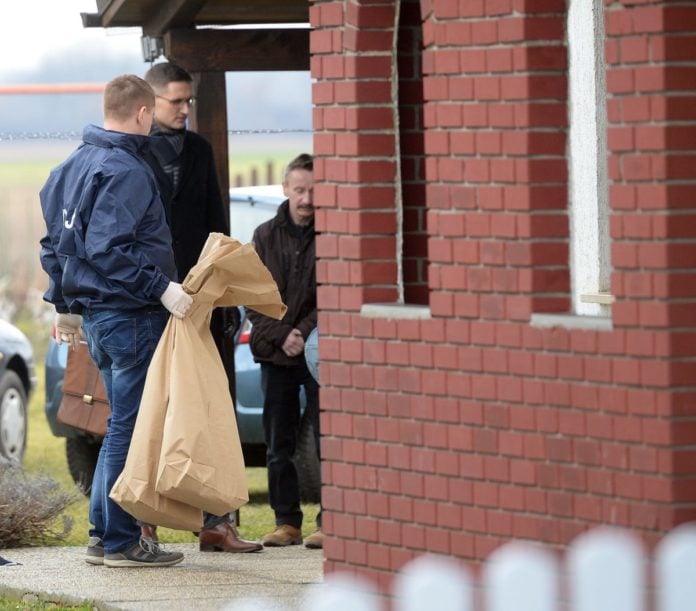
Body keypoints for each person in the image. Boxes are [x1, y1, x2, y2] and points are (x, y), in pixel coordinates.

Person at [39, 74, 191, 567]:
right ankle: (122, 541)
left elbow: (55, 245)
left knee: (117, 425)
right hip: (129, 316)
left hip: (100, 318)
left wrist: (64, 303)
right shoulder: (126, 168)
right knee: (128, 426)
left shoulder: (69, 167)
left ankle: (103, 537)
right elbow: (109, 247)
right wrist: (162, 287)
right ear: (144, 112)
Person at [143, 61, 261, 554]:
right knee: (150, 416)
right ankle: (141, 525)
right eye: (177, 102)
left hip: (198, 304)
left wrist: (225, 295)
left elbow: (217, 224)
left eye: (189, 101)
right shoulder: (132, 152)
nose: (186, 110)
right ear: (150, 105)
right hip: (149, 302)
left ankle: (217, 524)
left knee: (210, 412)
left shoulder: (200, 150)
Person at [248, 153, 323, 549]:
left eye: (314, 190)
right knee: (278, 442)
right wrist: (282, 335)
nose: (307, 199)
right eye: (299, 190)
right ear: (285, 190)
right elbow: (252, 297)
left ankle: (331, 520)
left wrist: (304, 332)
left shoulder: (335, 234)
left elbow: (333, 293)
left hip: (317, 354)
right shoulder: (263, 236)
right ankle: (286, 523)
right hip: (274, 353)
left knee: (328, 438)